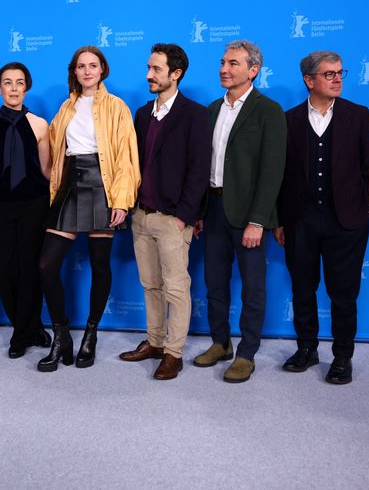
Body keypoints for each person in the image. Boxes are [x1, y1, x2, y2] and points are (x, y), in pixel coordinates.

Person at [274, 51, 369, 385]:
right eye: (329, 74)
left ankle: (342, 357)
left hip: (346, 221)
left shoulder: (359, 116)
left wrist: (365, 212)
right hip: (300, 221)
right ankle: (306, 349)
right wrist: (280, 220)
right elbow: (278, 176)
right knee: (303, 289)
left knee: (344, 293)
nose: (338, 79)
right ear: (309, 81)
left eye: (340, 73)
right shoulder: (288, 120)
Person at [37, 45, 140, 372]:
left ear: (102, 70)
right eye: (81, 66)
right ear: (75, 71)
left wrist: (121, 201)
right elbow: (53, 150)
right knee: (46, 266)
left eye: (93, 65)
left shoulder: (117, 106)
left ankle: (91, 334)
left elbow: (126, 157)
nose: (87, 71)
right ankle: (61, 334)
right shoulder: (65, 107)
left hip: (103, 185)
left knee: (100, 263)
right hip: (70, 184)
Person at [193, 40, 286, 383]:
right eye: (222, 62)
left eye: (233, 63)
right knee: (214, 283)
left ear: (253, 70)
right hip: (214, 208)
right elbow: (206, 167)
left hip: (249, 214)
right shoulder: (211, 110)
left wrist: (258, 220)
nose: (223, 68)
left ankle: (247, 352)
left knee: (252, 287)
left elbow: (272, 170)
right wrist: (200, 211)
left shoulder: (268, 110)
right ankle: (220, 343)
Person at [119, 44, 211, 380]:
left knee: (176, 288)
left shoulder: (196, 115)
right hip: (141, 216)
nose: (148, 75)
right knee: (150, 285)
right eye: (148, 67)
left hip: (173, 219)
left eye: (156, 69)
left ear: (176, 74)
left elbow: (199, 171)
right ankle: (155, 343)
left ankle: (173, 353)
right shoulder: (142, 114)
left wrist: (183, 216)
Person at [0, 62, 52, 359]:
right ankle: (31, 327)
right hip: (0, 207)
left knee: (30, 270)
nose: (14, 88)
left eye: (19, 82)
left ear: (27, 87)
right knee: (3, 272)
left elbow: (46, 170)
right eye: (8, 82)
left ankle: (20, 336)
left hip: (34, 204)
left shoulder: (40, 124)